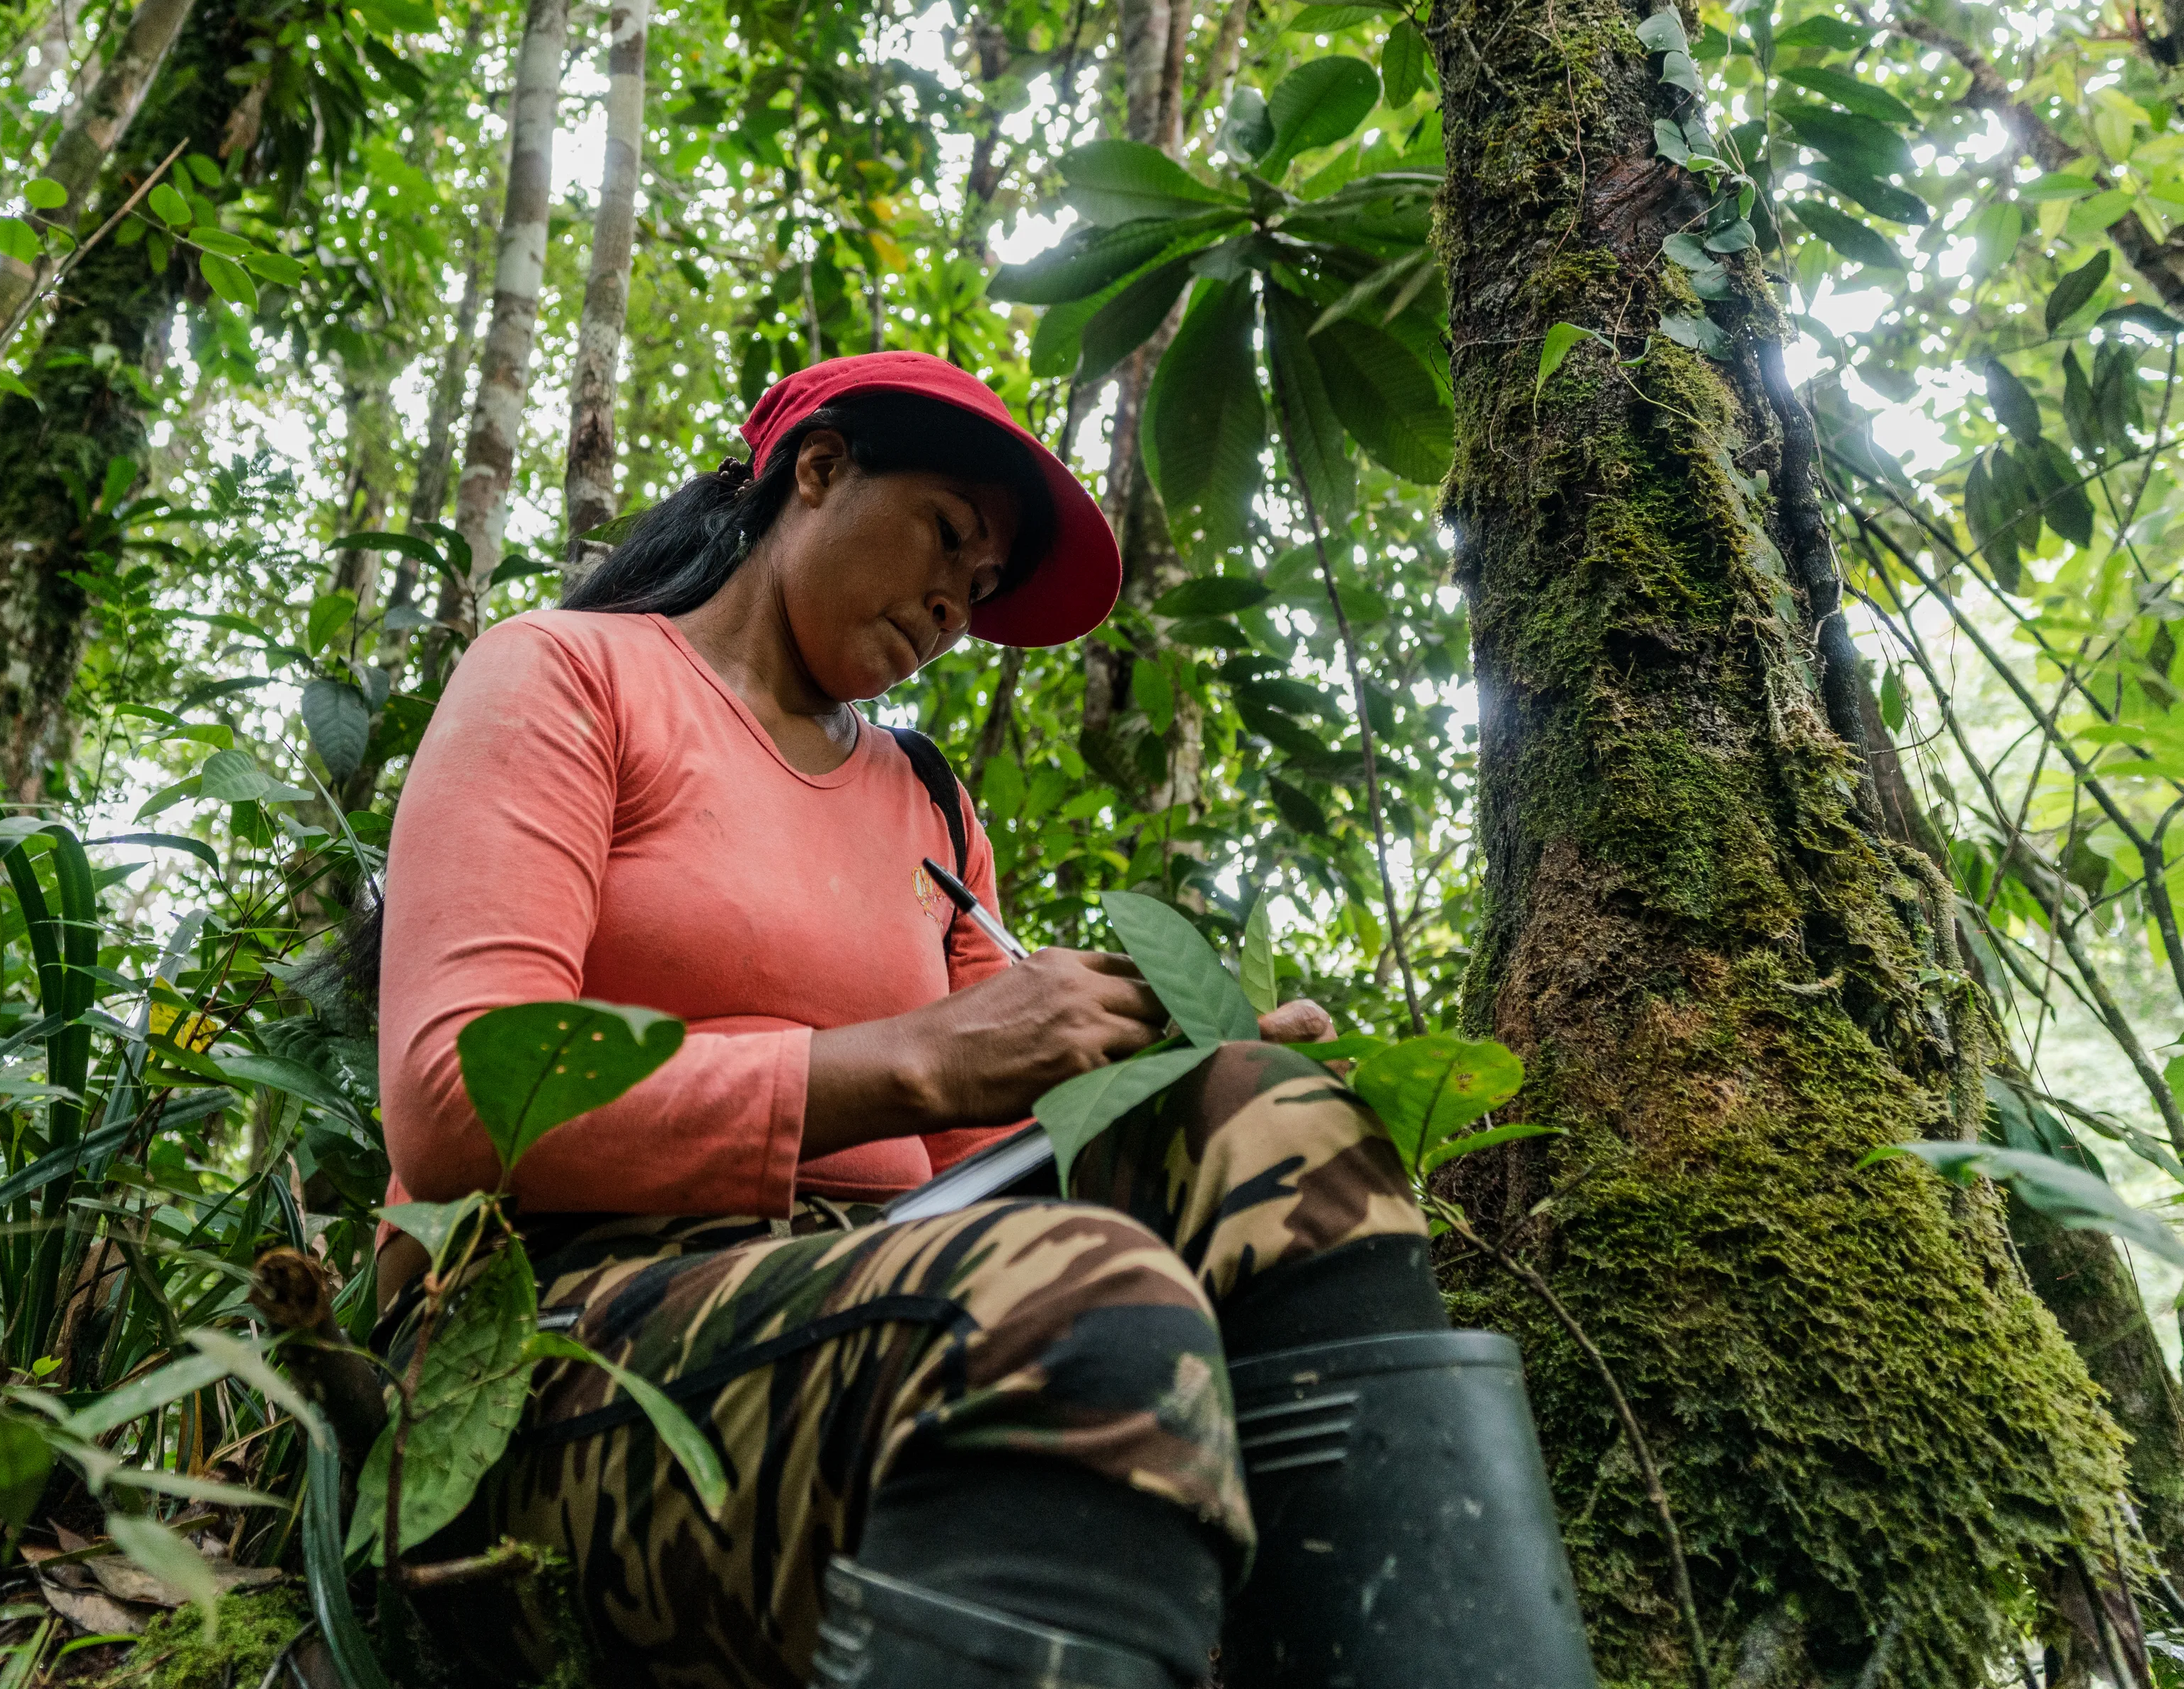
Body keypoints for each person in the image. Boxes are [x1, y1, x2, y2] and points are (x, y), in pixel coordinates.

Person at [370, 353, 1509, 1689]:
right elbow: (453, 1098)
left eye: (978, 589)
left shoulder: (925, 807)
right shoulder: (570, 675)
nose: (954, 607)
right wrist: (906, 1060)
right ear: (819, 468)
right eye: (947, 537)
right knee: (1086, 1309)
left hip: (868, 1293)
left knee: (1281, 1119)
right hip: (538, 1355)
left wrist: (1172, 1066)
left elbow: (984, 1161)